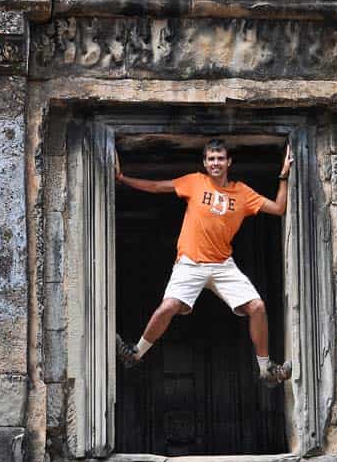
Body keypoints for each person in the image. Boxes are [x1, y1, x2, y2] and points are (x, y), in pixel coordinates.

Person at [115, 138, 294, 387]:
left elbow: (278, 208)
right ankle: (135, 354)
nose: (216, 163)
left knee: (257, 307)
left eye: (220, 158)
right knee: (168, 307)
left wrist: (283, 177)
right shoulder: (195, 182)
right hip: (190, 263)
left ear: (229, 161)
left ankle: (265, 370)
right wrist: (123, 179)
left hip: (223, 265)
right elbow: (157, 186)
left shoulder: (242, 192)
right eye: (211, 158)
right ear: (204, 163)